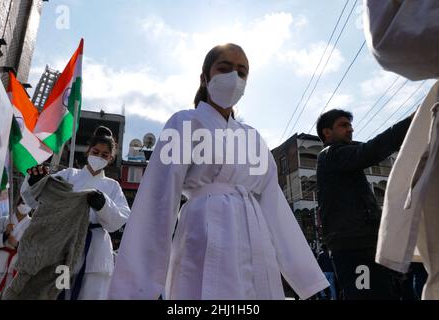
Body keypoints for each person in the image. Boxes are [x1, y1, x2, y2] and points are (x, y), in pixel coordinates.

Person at [108, 43, 329, 300]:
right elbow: (158, 202)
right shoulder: (184, 123)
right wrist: (135, 288)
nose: (234, 78)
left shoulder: (253, 138)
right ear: (205, 77)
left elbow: (274, 205)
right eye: (224, 69)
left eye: (242, 72)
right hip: (205, 230)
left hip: (255, 238)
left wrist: (306, 278)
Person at [21, 126, 130, 300]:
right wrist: (36, 182)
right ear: (88, 152)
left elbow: (117, 221)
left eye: (104, 155)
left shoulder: (113, 186)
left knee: (92, 296)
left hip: (96, 253)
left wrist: (103, 204)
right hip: (64, 246)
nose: (99, 157)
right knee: (57, 293)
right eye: (96, 152)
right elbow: (35, 200)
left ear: (111, 158)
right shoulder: (69, 175)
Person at [316, 109, 413, 300]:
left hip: (364, 245)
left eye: (350, 125)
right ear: (327, 132)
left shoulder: (342, 158)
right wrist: (410, 122)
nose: (350, 129)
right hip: (354, 249)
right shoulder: (330, 155)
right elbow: (368, 151)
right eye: (343, 125)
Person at [0, 197, 32, 300]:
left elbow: (33, 250)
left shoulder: (32, 225)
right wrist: (5, 234)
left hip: (17, 266)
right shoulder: (3, 220)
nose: (25, 205)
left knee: (9, 297)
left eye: (28, 203)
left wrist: (17, 245)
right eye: (22, 202)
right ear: (17, 203)